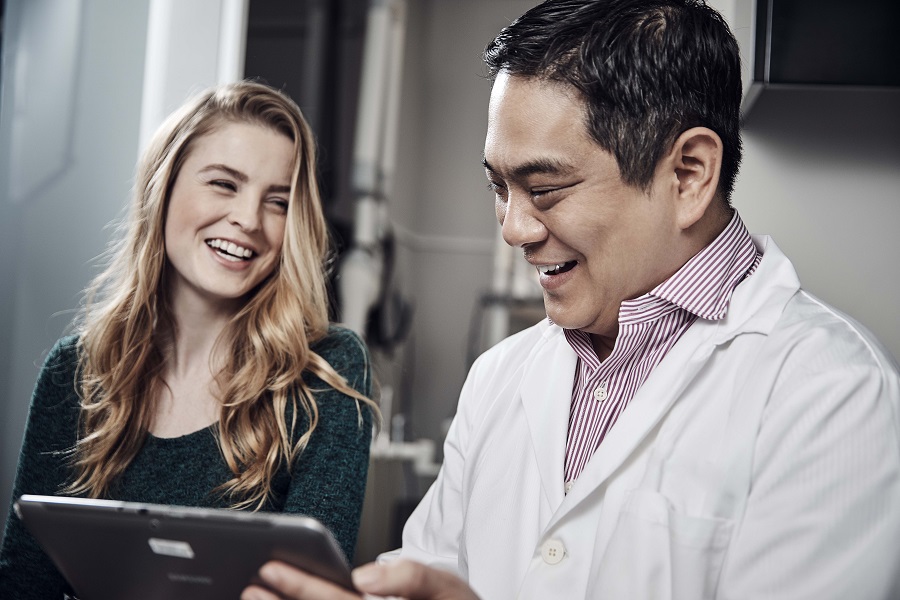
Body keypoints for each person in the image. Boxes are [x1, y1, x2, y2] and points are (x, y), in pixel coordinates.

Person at [242, 0, 900, 598]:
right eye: (499, 186)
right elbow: (426, 575)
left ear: (689, 173)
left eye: (545, 187)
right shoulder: (501, 378)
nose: (514, 229)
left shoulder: (832, 396)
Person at [0, 80, 379, 599]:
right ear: (164, 186)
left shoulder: (324, 371)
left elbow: (304, 592)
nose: (248, 220)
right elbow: (25, 582)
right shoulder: (76, 371)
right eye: (224, 184)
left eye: (277, 201)